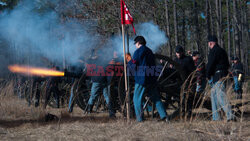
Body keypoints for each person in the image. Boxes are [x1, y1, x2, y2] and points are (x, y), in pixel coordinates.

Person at [125, 36, 169, 122]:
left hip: (142, 79)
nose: (135, 46)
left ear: (138, 43)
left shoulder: (137, 52)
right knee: (156, 98)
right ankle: (164, 116)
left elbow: (133, 66)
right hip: (151, 78)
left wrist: (128, 60)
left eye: (135, 44)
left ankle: (140, 119)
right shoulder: (150, 51)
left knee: (136, 99)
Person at [206, 35, 234, 121]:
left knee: (220, 95)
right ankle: (216, 117)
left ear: (210, 43)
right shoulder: (222, 51)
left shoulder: (214, 51)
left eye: (208, 43)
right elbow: (227, 64)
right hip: (221, 75)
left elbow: (210, 64)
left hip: (218, 76)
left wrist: (207, 74)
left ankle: (230, 115)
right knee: (213, 96)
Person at [85, 49, 110, 114]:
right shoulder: (105, 61)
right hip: (104, 80)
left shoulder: (93, 60)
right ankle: (111, 110)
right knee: (106, 95)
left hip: (96, 80)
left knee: (93, 96)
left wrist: (91, 56)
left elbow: (87, 61)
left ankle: (89, 110)